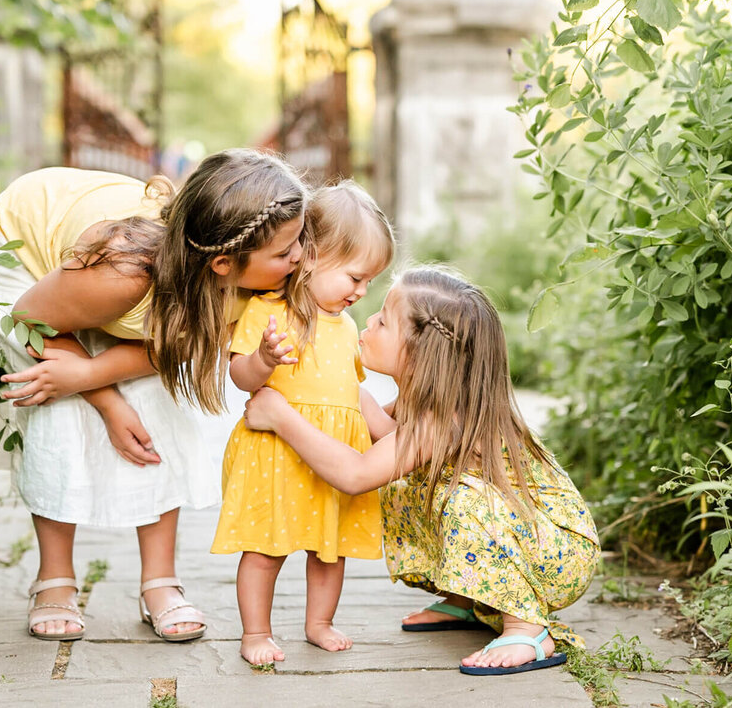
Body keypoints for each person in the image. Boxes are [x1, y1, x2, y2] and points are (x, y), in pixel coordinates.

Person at [0, 149, 312, 643]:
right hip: (30, 266)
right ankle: (54, 578)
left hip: (129, 290)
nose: (300, 256)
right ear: (223, 263)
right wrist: (102, 394)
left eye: (298, 242)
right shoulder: (123, 272)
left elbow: (176, 346)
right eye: (286, 253)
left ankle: (159, 581)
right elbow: (28, 320)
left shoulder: (254, 277)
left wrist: (96, 372)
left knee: (156, 407)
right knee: (57, 404)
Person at [241, 266, 600, 675]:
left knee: (456, 497)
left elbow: (357, 473)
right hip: (527, 541)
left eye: (384, 321)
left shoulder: (447, 418)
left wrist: (282, 418)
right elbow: (384, 439)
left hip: (559, 554)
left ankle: (527, 629)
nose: (369, 321)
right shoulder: (423, 404)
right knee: (406, 484)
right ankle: (470, 599)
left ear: (419, 351)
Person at [210, 183, 395, 665]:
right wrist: (265, 359)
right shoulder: (269, 312)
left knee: (330, 551)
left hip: (331, 456)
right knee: (264, 548)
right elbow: (241, 376)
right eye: (355, 277)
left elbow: (353, 393)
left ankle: (319, 622)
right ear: (311, 255)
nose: (361, 291)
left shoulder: (348, 327)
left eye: (369, 282)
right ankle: (256, 632)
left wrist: (392, 434)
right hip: (274, 453)